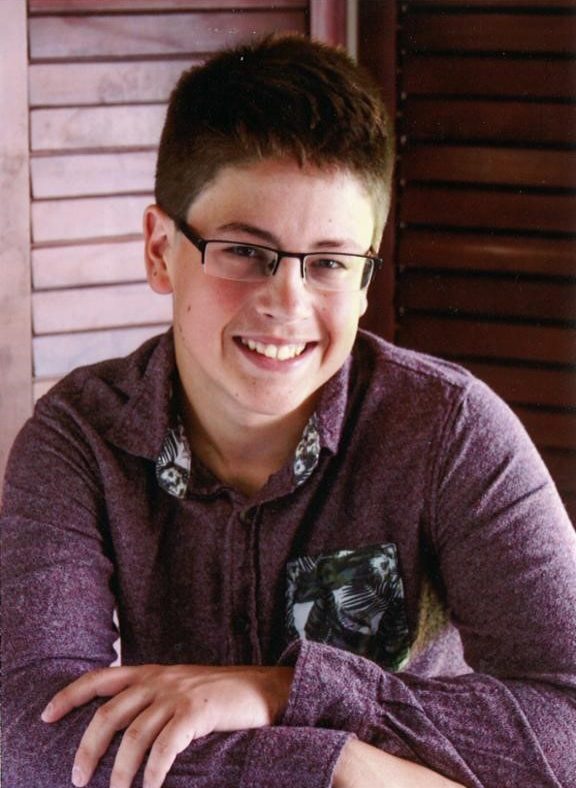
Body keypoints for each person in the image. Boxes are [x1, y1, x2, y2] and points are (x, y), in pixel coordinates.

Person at [2, 33, 576, 788]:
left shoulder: (453, 430)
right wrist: (341, 770)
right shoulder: (77, 435)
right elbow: (31, 740)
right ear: (159, 250)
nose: (287, 303)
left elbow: (569, 716)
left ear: (366, 279)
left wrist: (283, 692)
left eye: (331, 262)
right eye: (245, 251)